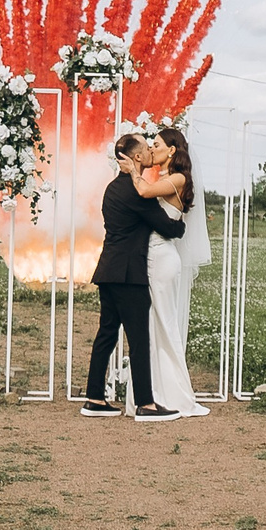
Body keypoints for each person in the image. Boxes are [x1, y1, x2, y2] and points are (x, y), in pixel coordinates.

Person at [83, 134, 188, 421]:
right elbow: (165, 227)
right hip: (130, 275)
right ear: (137, 158)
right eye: (146, 148)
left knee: (106, 335)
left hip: (108, 271)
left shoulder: (112, 188)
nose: (151, 152)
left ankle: (94, 398)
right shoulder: (134, 191)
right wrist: (181, 227)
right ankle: (146, 404)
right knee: (139, 339)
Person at [125, 128, 212, 417]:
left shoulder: (177, 179)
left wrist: (132, 170)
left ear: (172, 151)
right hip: (152, 256)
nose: (153, 148)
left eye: (157, 145)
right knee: (151, 326)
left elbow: (144, 192)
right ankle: (153, 392)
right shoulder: (165, 178)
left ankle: (175, 394)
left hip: (162, 258)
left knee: (164, 324)